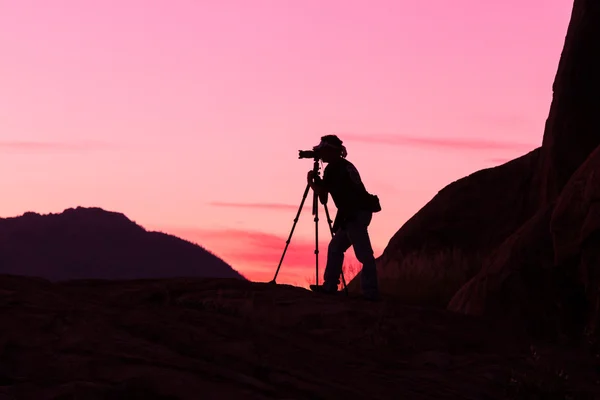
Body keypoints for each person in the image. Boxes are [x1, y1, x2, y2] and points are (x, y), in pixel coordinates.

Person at [307, 134, 380, 301]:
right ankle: (330, 285)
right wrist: (319, 183)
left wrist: (311, 182)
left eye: (323, 151)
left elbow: (322, 194)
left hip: (355, 213)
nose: (321, 156)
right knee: (336, 247)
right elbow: (325, 196)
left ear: (331, 151)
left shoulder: (334, 168)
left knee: (364, 254)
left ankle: (371, 292)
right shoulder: (346, 165)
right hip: (355, 213)